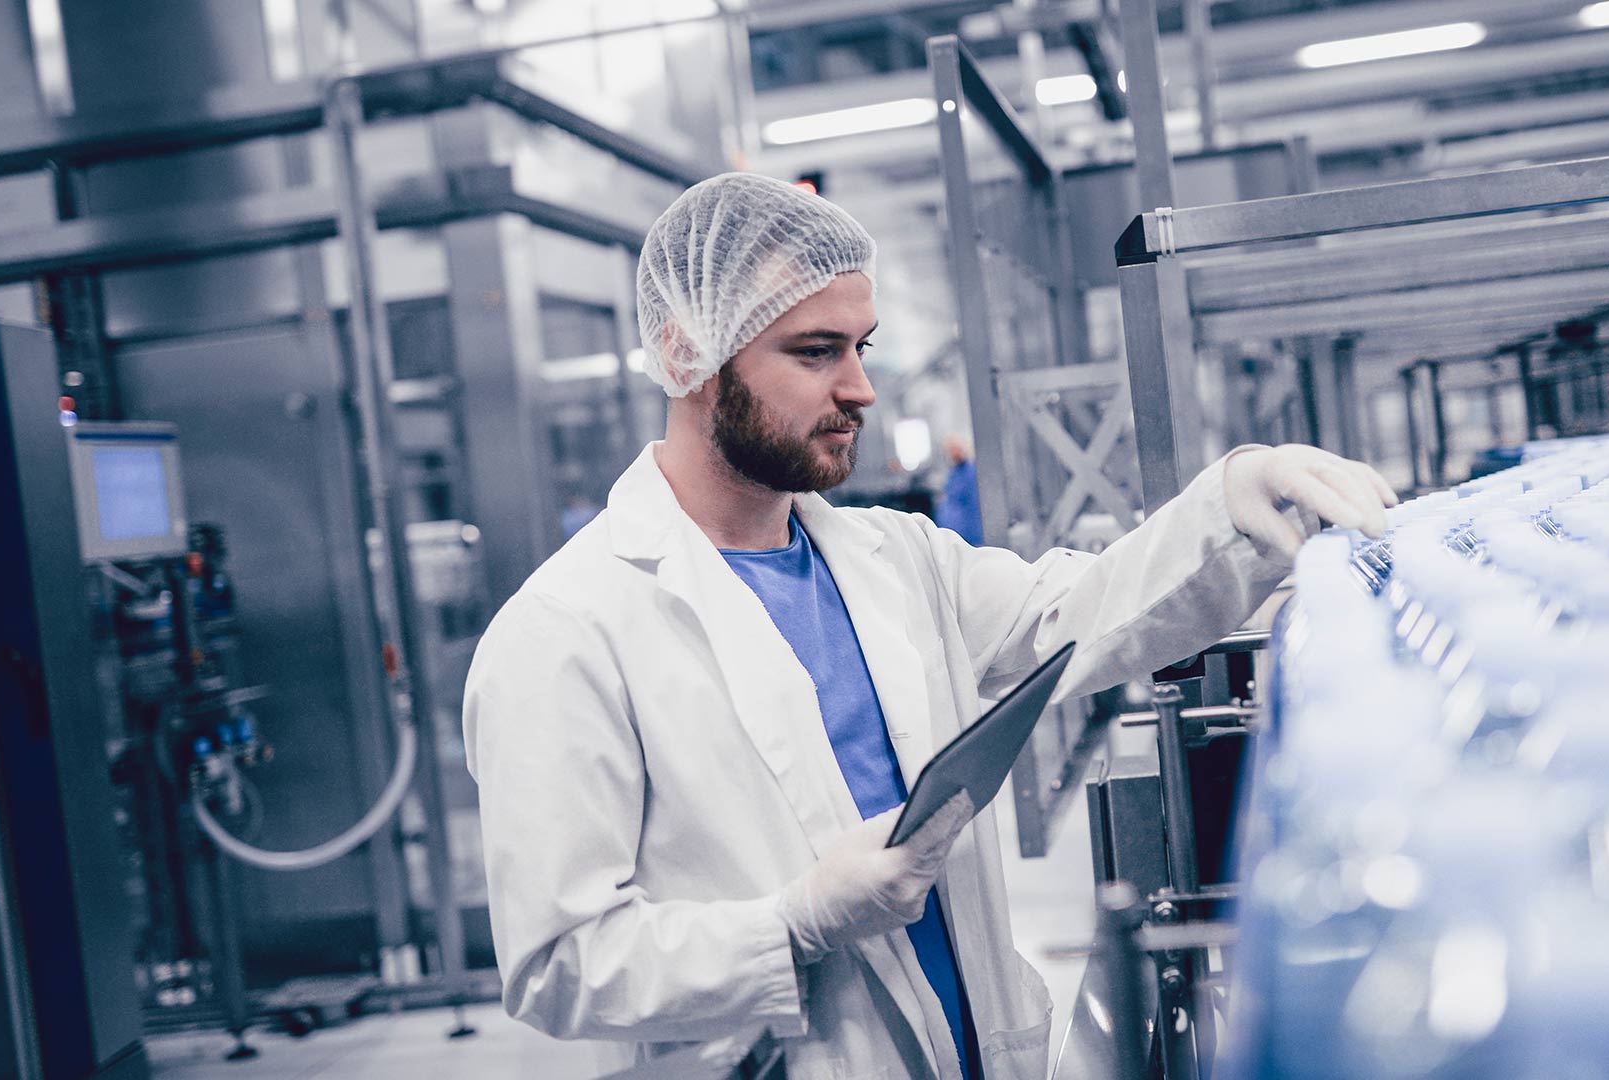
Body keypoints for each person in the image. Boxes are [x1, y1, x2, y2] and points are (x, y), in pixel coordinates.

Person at [463, 172, 1396, 1080]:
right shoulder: (566, 632)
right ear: (688, 355)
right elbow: (558, 966)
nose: (862, 387)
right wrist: (793, 923)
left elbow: (1080, 615)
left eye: (861, 346)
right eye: (816, 351)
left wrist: (1229, 507)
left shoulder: (897, 557)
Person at [933, 435, 982, 546]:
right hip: (952, 538)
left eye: (955, 448)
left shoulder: (972, 473)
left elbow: (974, 506)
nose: (952, 453)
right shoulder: (953, 474)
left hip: (969, 537)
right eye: (948, 450)